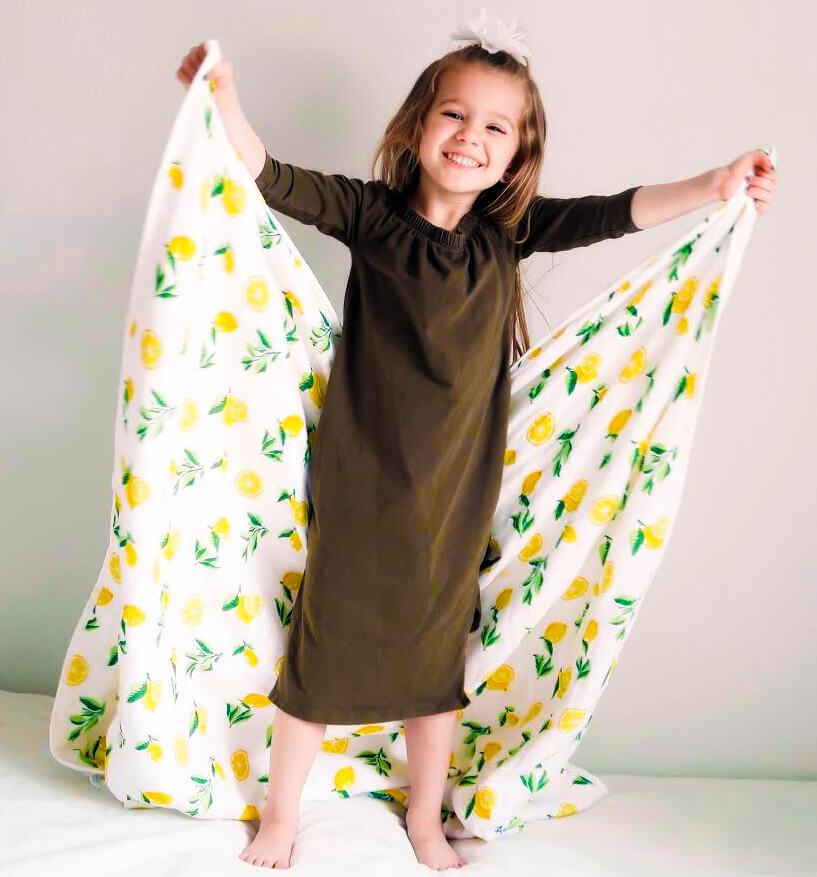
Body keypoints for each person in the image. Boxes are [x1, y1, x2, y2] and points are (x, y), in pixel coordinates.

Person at [175, 16, 777, 871]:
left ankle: (424, 819)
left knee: (434, 659)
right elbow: (266, 175)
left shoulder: (508, 233)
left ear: (516, 153)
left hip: (455, 492)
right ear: (419, 124)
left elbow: (615, 213)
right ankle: (280, 815)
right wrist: (223, 94)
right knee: (325, 643)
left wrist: (715, 184)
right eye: (454, 115)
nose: (470, 137)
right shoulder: (372, 215)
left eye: (496, 126)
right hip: (362, 479)